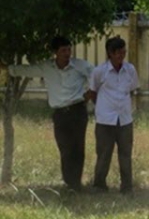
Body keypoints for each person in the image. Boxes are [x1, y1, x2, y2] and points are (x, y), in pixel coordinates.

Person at [8, 36, 93, 191]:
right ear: (55, 52)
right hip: (59, 113)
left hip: (77, 110)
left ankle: (75, 183)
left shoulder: (80, 66)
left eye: (68, 49)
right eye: (63, 50)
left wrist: (90, 93)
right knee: (64, 147)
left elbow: (97, 76)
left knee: (77, 147)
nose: (67, 53)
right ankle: (68, 181)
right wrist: (8, 69)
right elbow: (28, 70)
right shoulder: (47, 67)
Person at [89, 36, 139, 194]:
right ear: (110, 53)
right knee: (104, 154)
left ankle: (126, 187)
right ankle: (99, 185)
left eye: (123, 53)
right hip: (105, 120)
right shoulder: (99, 72)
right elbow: (93, 92)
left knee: (125, 154)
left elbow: (132, 88)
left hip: (125, 119)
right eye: (117, 53)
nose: (121, 56)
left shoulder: (130, 69)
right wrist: (104, 107)